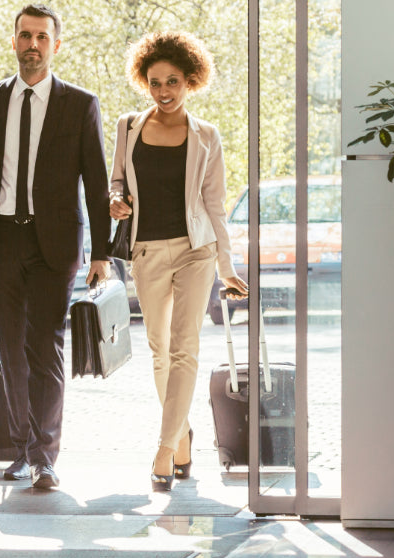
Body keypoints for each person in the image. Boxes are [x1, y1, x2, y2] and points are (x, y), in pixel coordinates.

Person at [0, 4, 112, 490]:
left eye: (42, 37)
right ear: (14, 42)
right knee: (10, 349)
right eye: (25, 36)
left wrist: (102, 253)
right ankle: (21, 451)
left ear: (56, 45)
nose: (33, 45)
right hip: (1, 238)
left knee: (45, 347)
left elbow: (96, 182)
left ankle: (45, 456)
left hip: (55, 243)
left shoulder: (80, 104)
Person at [108, 31, 248, 492]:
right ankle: (183, 433)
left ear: (190, 81)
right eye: (155, 82)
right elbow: (116, 181)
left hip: (195, 251)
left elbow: (215, 205)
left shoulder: (206, 136)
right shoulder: (128, 127)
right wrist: (115, 200)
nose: (164, 91)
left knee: (184, 346)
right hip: (147, 252)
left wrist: (226, 267)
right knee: (160, 351)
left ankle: (165, 448)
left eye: (172, 82)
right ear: (144, 82)